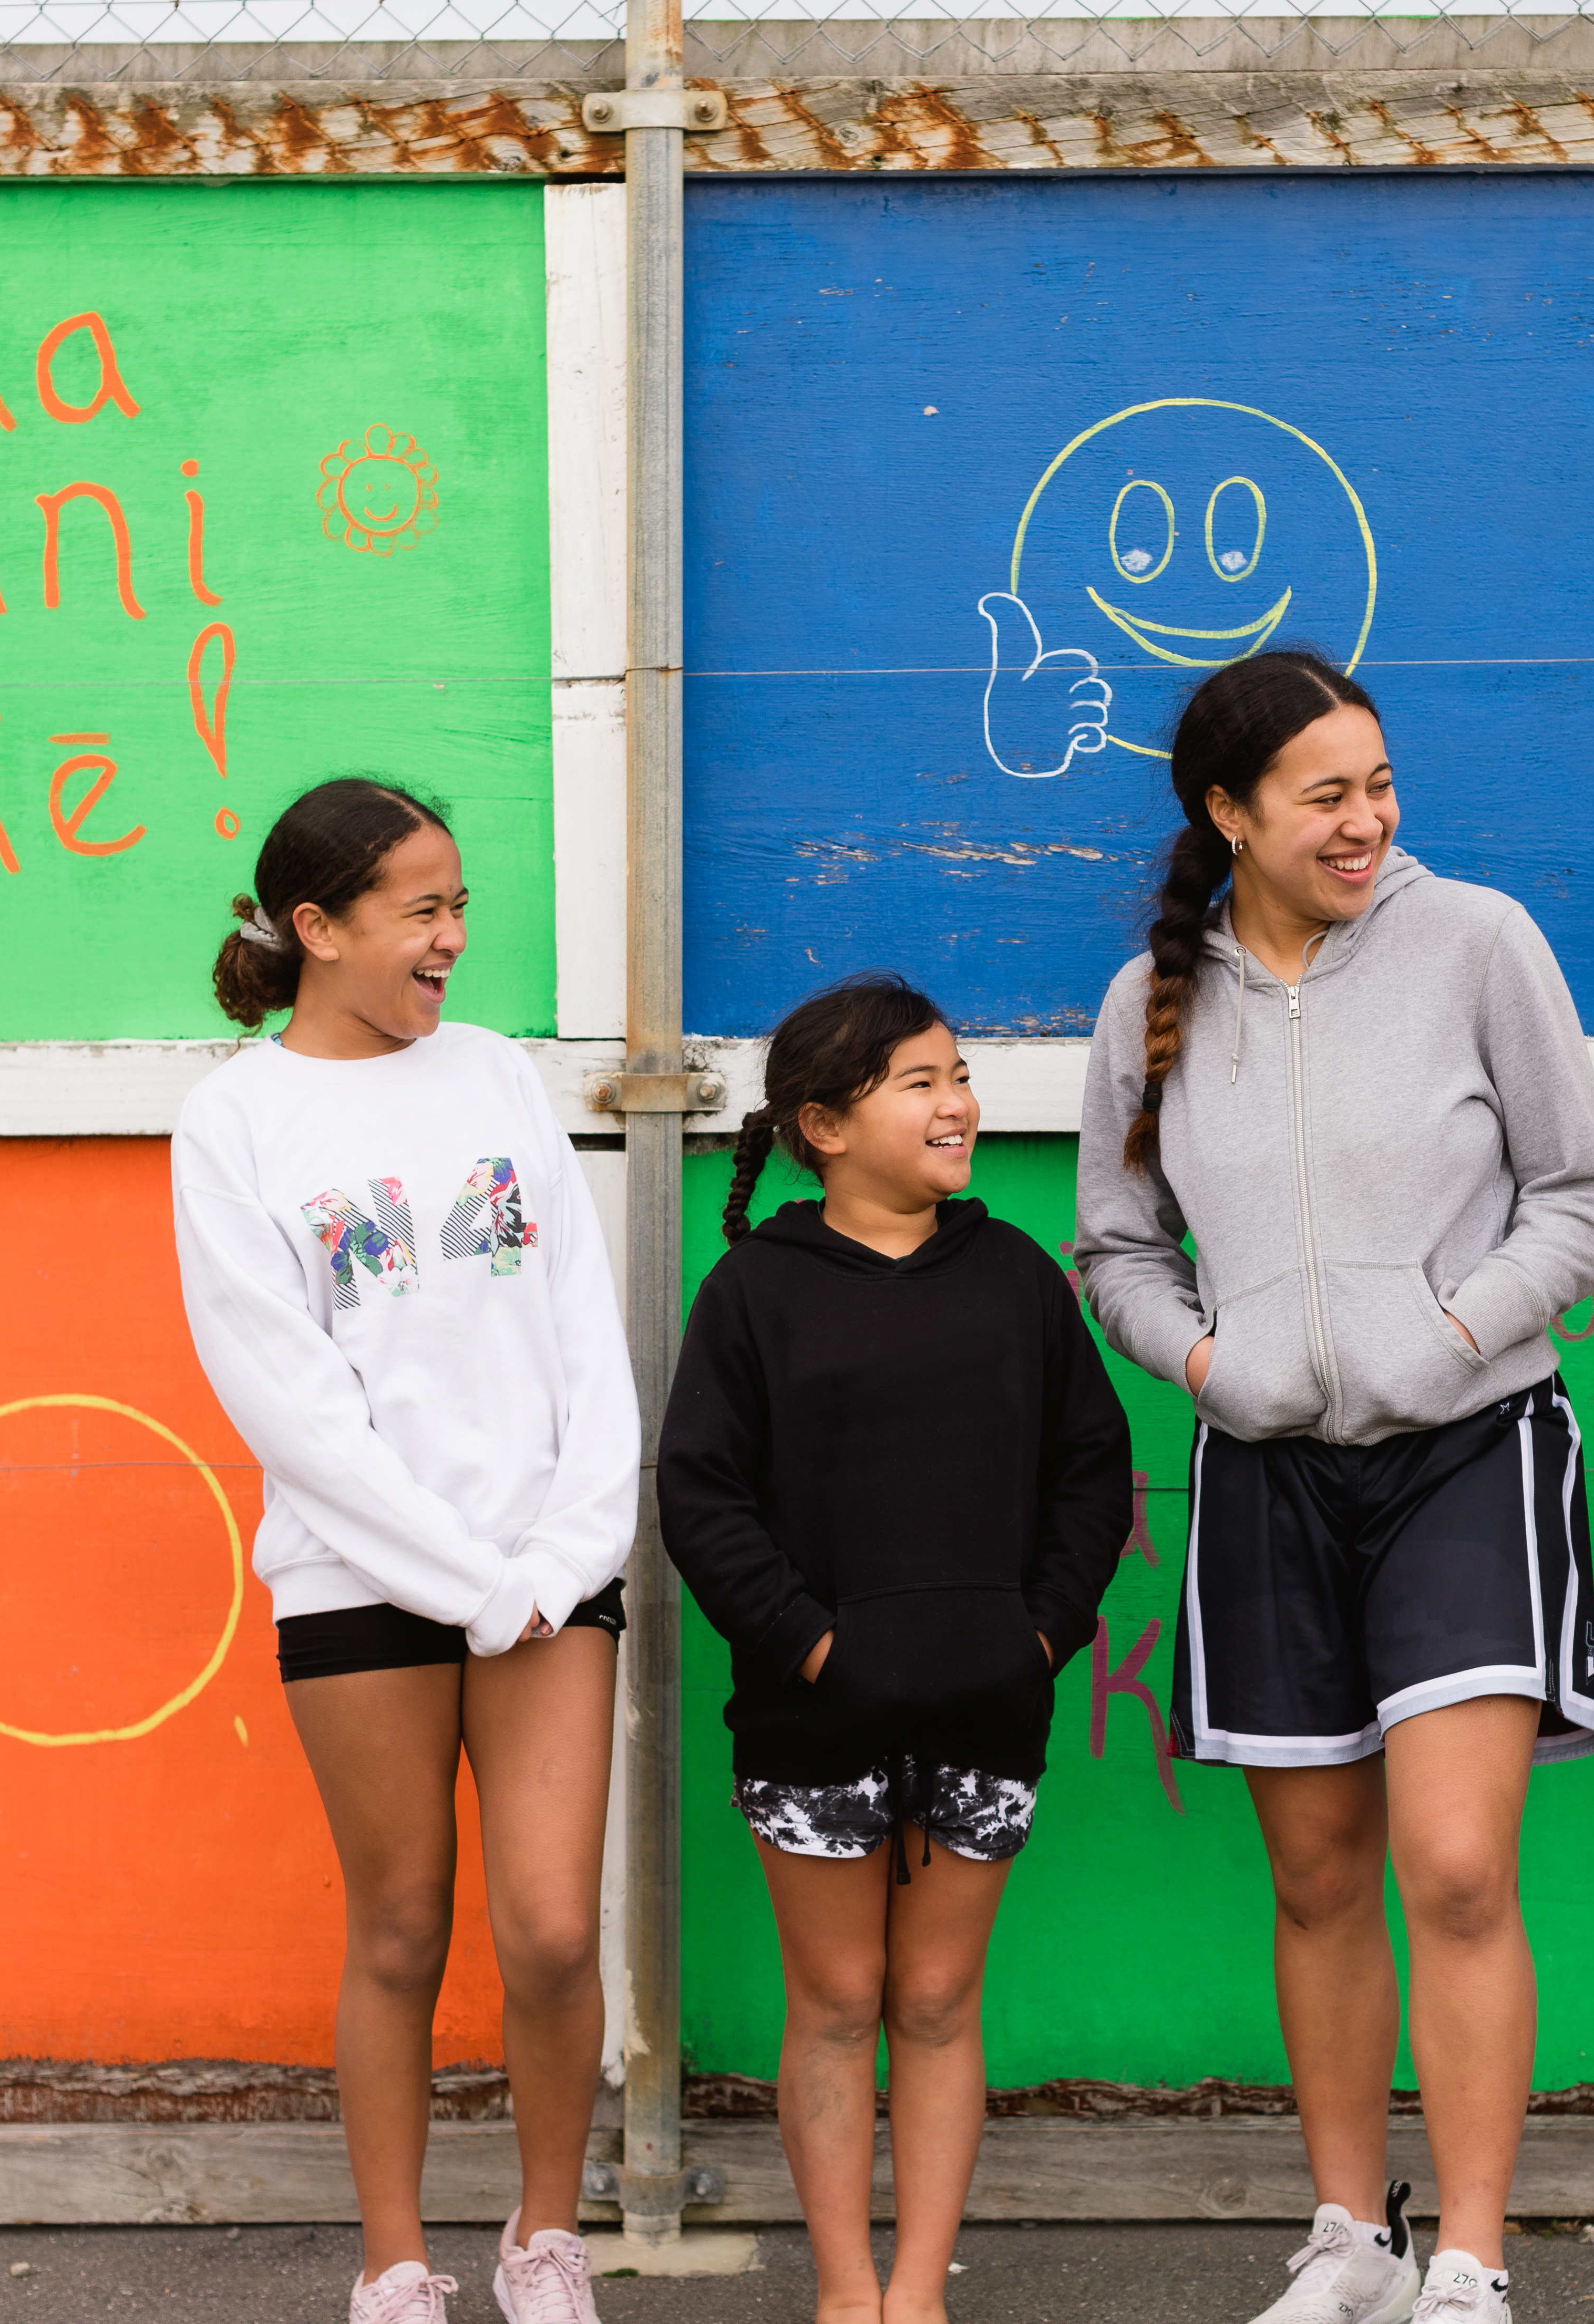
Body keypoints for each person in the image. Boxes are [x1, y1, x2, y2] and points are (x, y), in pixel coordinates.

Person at [1075, 653, 1594, 2324]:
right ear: (1226, 813)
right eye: (1324, 794)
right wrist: (1201, 1364)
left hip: (1466, 1447)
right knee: (1316, 1874)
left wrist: (1449, 1331)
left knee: (1452, 1864)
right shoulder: (1146, 1002)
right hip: (1263, 1475)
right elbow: (1112, 1247)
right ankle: (1347, 2240)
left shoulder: (1477, 942)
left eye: (1377, 783)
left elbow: (1580, 1197)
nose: (1367, 820)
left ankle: (1467, 2256)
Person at [171, 778, 637, 2324]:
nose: (451, 939)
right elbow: (285, 1396)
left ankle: (544, 2235)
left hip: (549, 1575)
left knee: (555, 1926)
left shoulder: (495, 1075)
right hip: (361, 1575)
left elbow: (582, 1319)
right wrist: (464, 1576)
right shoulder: (237, 1115)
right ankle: (394, 2258)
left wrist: (565, 1548)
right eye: (419, 910)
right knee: (398, 1919)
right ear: (316, 927)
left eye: (459, 907)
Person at [659, 972, 1135, 2324]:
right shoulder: (754, 1292)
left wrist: (1037, 1636)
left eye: (958, 1076)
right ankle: (845, 2292)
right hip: (815, 1725)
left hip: (988, 1717)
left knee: (934, 1998)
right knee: (835, 1999)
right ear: (821, 1123)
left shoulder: (1015, 1279)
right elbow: (702, 1496)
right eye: (918, 1082)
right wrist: (813, 1652)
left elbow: (1092, 1479)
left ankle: (917, 2293)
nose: (958, 1105)